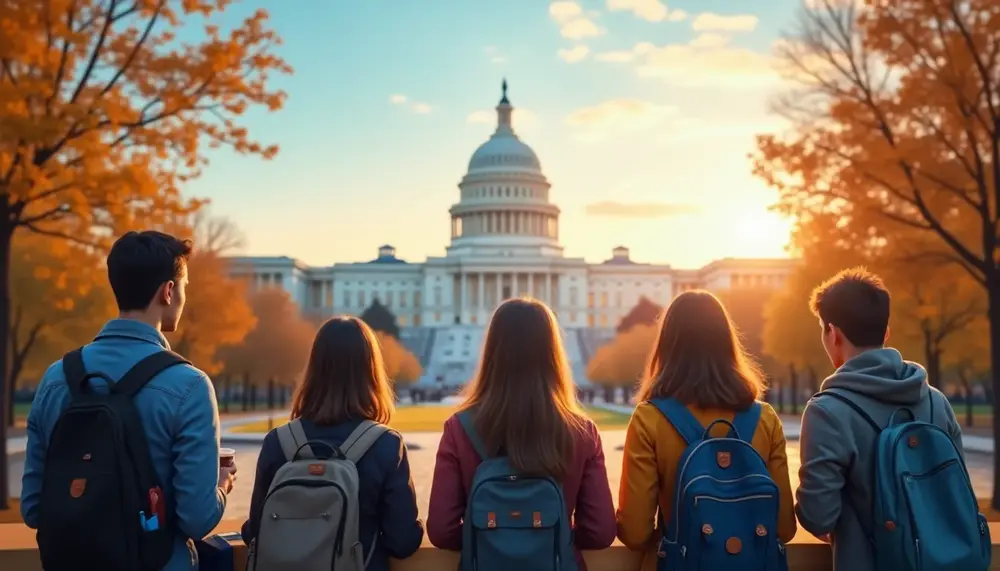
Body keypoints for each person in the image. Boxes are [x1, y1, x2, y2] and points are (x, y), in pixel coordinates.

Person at [21, 230, 235, 571]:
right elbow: (197, 518)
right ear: (167, 291)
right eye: (184, 287)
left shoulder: (56, 378)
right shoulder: (190, 385)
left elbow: (33, 509)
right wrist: (221, 488)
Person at [796, 268, 968, 571]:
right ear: (886, 332)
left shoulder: (827, 411)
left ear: (832, 333)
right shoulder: (935, 401)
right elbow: (959, 489)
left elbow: (817, 516)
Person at [427, 298, 616, 571]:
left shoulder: (459, 428)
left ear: (492, 350)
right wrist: (555, 533)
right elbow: (601, 531)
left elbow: (441, 530)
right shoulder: (582, 431)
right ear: (553, 352)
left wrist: (489, 535)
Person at [617, 290, 796, 564]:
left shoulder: (648, 419)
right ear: (727, 343)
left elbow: (635, 533)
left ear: (667, 345)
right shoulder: (766, 418)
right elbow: (784, 527)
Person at [242, 316, 424, 571]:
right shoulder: (385, 445)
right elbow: (403, 541)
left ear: (315, 367)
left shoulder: (278, 442)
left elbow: (255, 531)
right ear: (371, 371)